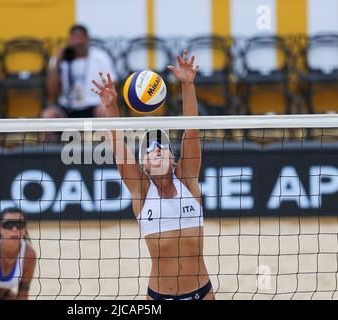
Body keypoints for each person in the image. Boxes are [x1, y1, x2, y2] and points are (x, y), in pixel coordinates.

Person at [91, 51, 214, 300]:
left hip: (202, 293)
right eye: (148, 148)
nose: (156, 149)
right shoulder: (141, 191)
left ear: (174, 159)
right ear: (143, 165)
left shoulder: (188, 182)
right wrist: (112, 106)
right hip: (159, 297)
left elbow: (191, 130)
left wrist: (187, 85)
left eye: (162, 145)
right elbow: (118, 144)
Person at [43, 24, 117, 119]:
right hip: (67, 108)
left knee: (106, 110)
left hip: (93, 106)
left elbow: (112, 85)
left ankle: (110, 134)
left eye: (80, 38)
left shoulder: (100, 57)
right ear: (69, 40)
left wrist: (104, 102)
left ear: (87, 39)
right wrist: (55, 64)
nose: (78, 42)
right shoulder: (62, 59)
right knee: (48, 115)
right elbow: (51, 93)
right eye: (74, 38)